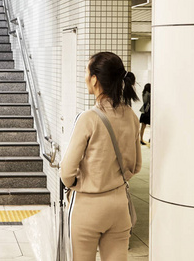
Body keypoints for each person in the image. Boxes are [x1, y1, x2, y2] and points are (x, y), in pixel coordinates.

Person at [61, 52, 142, 261]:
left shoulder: (88, 118)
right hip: (118, 206)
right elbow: (136, 166)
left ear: (95, 79)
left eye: (87, 73)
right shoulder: (131, 117)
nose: (86, 77)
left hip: (87, 206)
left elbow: (66, 171)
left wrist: (77, 182)